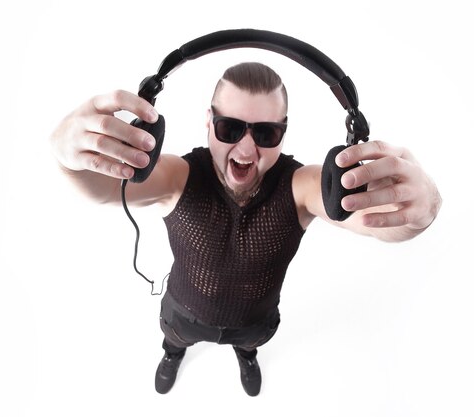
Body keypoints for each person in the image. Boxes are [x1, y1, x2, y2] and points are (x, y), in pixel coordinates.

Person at [50, 62, 441, 396]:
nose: (246, 150)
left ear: (283, 134)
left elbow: (377, 223)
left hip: (255, 324)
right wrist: (66, 157)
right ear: (208, 123)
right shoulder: (178, 177)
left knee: (250, 344)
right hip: (182, 314)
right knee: (173, 340)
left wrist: (422, 210)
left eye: (265, 133)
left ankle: (247, 356)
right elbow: (101, 191)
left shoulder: (302, 186)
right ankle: (173, 354)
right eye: (230, 127)